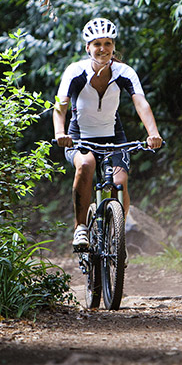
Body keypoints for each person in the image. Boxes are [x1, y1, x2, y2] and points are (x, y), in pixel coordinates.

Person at [53, 17, 164, 252]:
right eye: (97, 44)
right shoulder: (75, 72)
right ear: (88, 48)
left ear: (113, 46)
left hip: (114, 138)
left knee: (119, 182)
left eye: (107, 43)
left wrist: (153, 133)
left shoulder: (124, 72)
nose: (102, 48)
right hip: (79, 137)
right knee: (86, 163)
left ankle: (117, 234)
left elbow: (140, 103)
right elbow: (60, 107)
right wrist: (60, 132)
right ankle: (80, 227)